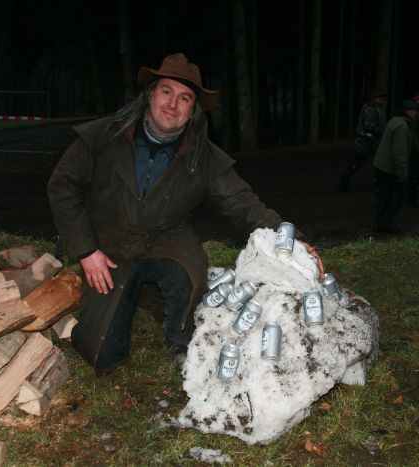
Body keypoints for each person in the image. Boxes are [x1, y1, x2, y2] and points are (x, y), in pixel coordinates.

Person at [47, 53, 300, 376]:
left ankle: (179, 340)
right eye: (166, 91)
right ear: (151, 94)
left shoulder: (203, 156)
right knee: (102, 352)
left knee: (188, 275)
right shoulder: (102, 136)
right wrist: (86, 251)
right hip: (107, 245)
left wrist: (293, 242)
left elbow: (242, 204)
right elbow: (62, 188)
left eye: (184, 98)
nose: (172, 104)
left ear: (192, 111)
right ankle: (134, 293)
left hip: (165, 239)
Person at [371, 99, 419, 233]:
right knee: (397, 196)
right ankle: (385, 223)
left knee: (384, 196)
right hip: (389, 169)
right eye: (415, 111)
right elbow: (400, 153)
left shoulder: (394, 120)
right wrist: (403, 176)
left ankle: (379, 222)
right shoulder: (402, 126)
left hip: (381, 166)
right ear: (409, 111)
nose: (416, 114)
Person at [338, 88, 387, 192]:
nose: (381, 99)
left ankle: (345, 181)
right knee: (361, 162)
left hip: (370, 140)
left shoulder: (373, 108)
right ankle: (344, 181)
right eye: (379, 97)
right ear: (373, 98)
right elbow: (369, 126)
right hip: (367, 141)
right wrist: (382, 131)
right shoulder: (370, 109)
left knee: (362, 162)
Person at [407, 90, 419, 207]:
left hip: (415, 149)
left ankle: (412, 198)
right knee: (414, 175)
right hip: (413, 150)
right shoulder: (415, 114)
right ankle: (411, 200)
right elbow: (412, 133)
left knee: (415, 175)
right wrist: (418, 147)